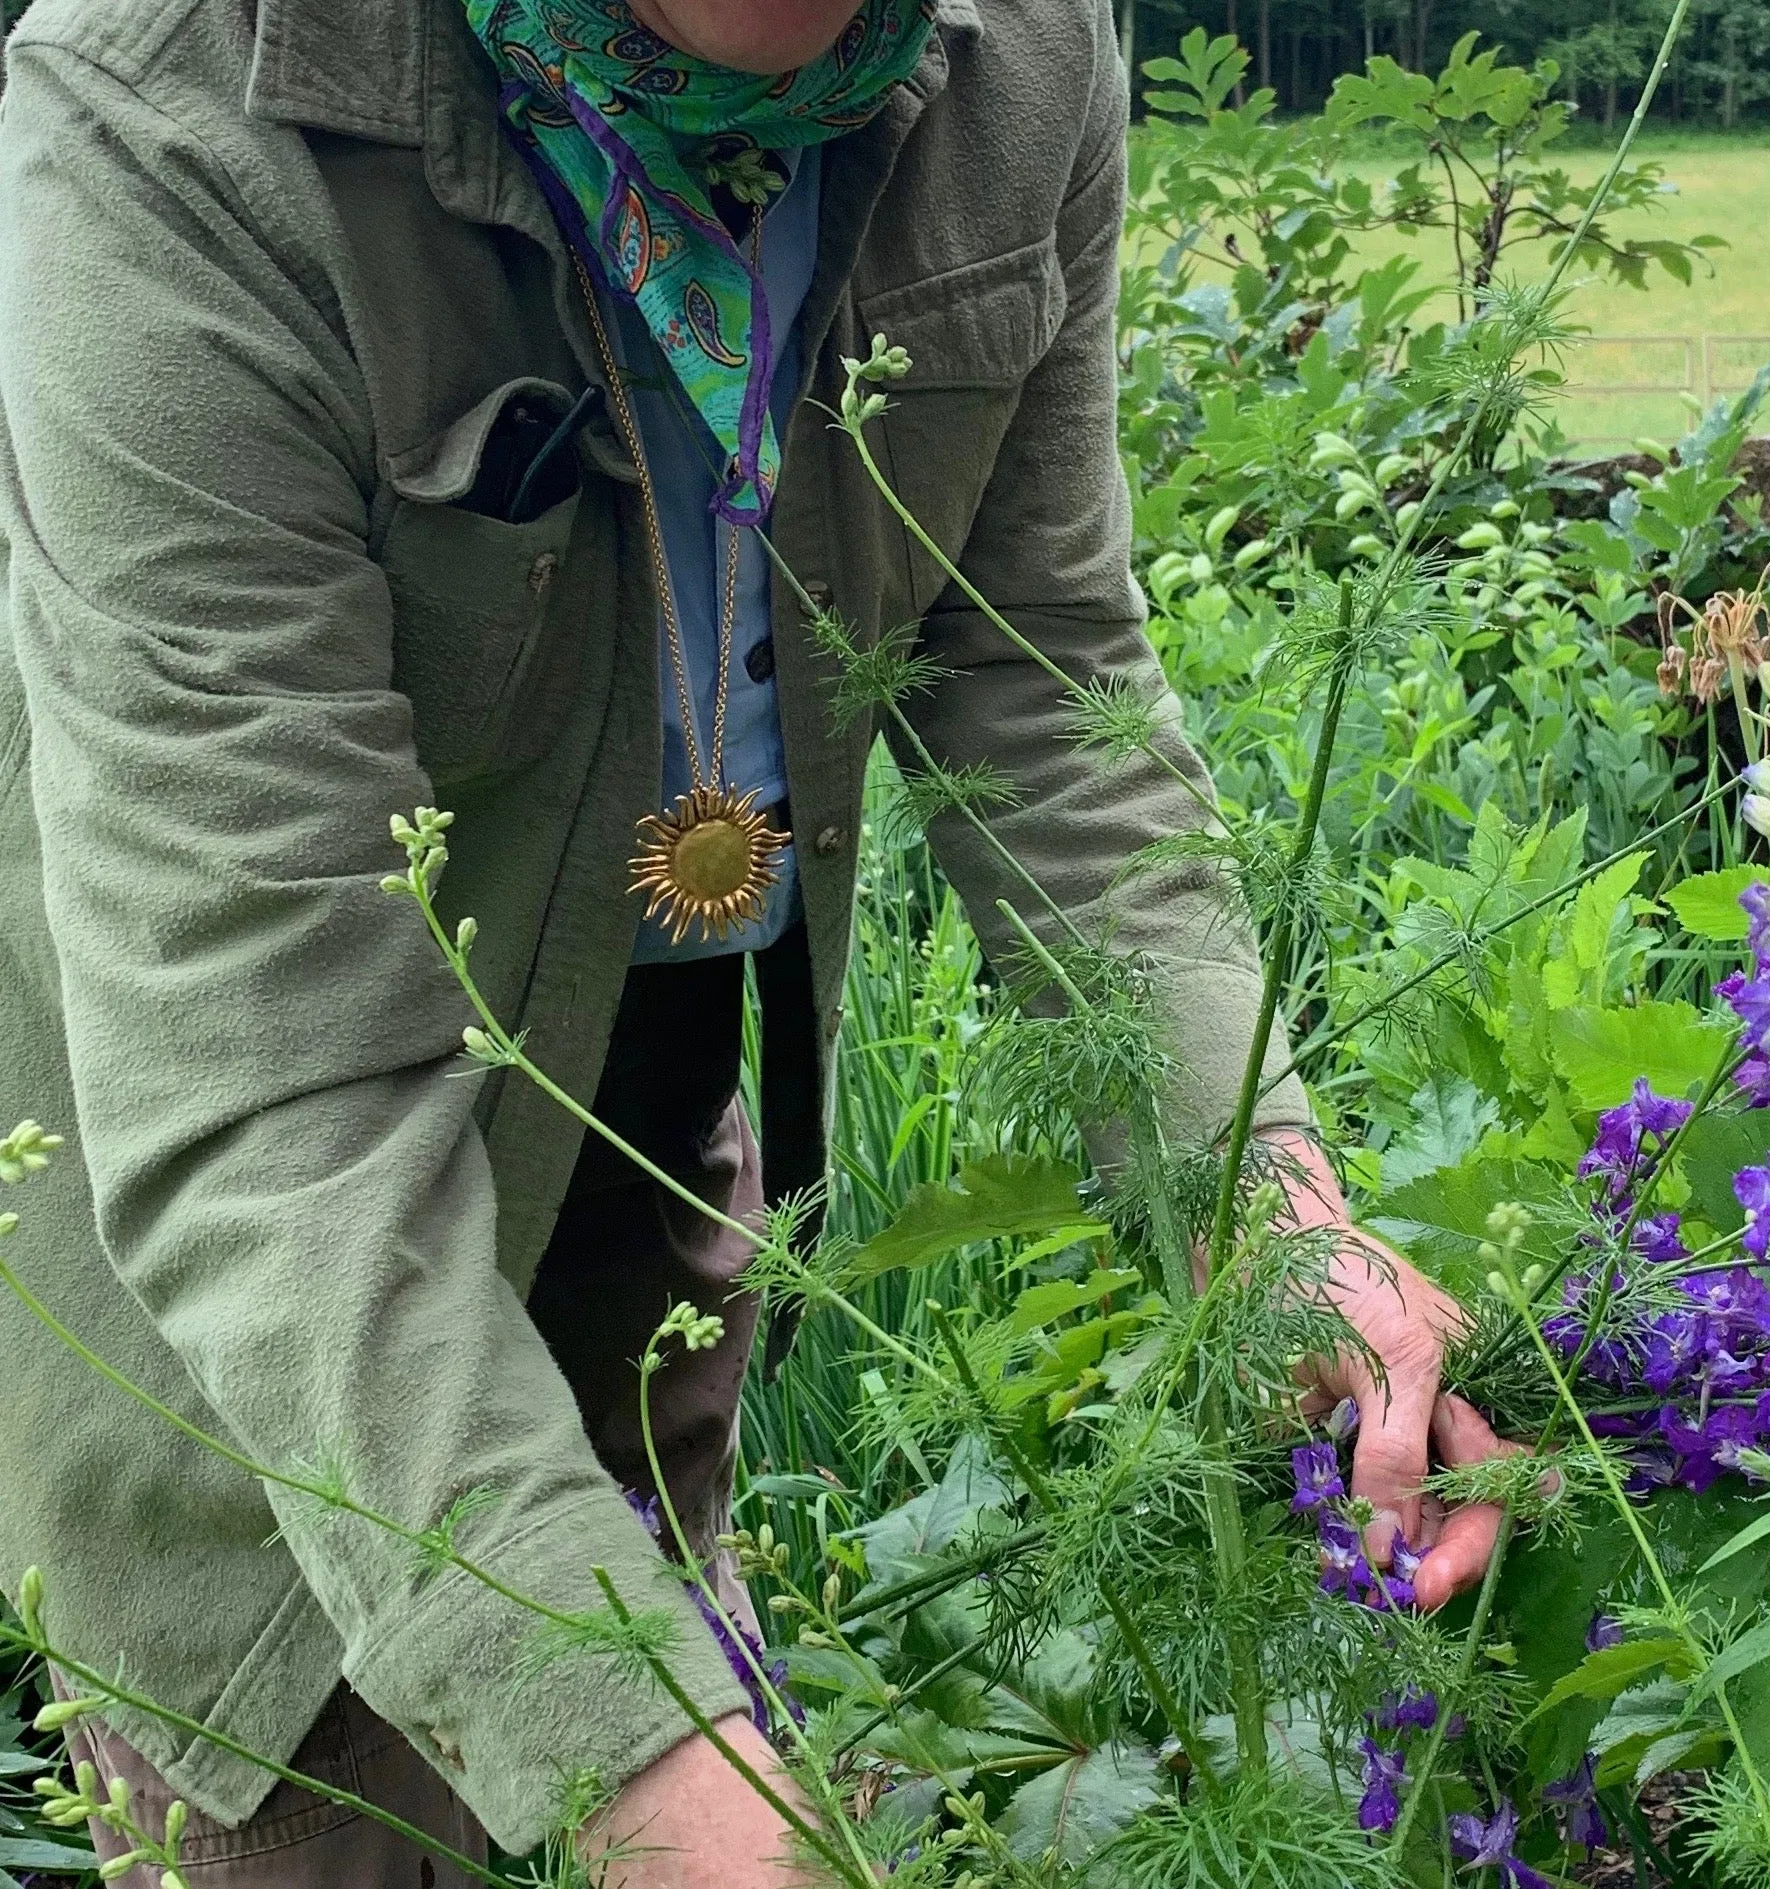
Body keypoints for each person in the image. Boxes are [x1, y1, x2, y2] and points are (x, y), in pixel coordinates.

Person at [0, 0, 1516, 1882]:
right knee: (375, 1790)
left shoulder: (1023, 60)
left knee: (683, 1694)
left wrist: (1260, 1197)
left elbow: (1039, 677)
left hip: (651, 1093)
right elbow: (261, 1081)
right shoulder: (172, 113)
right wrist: (637, 1761)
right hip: (261, 1251)